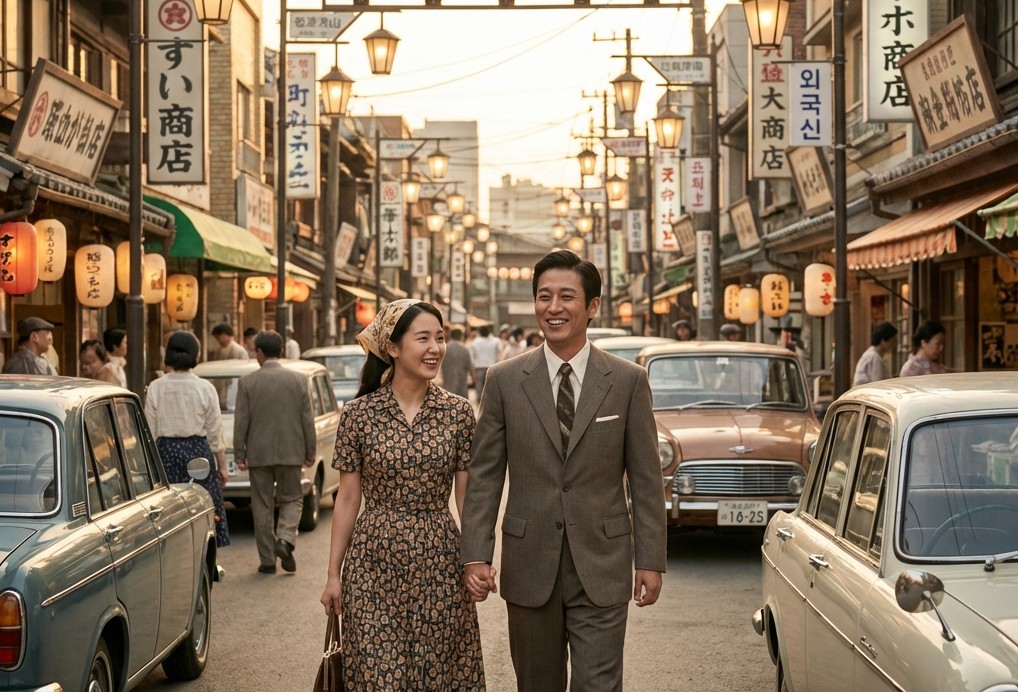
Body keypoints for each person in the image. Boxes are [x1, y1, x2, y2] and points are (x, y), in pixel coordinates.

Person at [461, 250, 667, 690]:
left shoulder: (628, 381)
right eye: (544, 296)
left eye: (567, 297)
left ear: (592, 306)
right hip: (529, 561)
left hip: (603, 561)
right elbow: (485, 476)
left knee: (599, 684)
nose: (553, 307)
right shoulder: (504, 380)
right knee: (537, 684)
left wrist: (650, 560)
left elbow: (647, 480)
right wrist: (476, 553)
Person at [320, 299, 485, 689]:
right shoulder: (358, 414)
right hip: (372, 564)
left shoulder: (458, 412)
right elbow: (347, 499)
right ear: (392, 347)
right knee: (378, 676)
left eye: (440, 338)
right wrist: (333, 575)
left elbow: (468, 498)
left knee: (437, 674)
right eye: (423, 338)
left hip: (440, 561)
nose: (435, 348)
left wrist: (476, 559)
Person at [233, 330, 315, 573]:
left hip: (258, 454)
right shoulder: (299, 380)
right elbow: (307, 419)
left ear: (259, 352)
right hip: (291, 451)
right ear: (280, 351)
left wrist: (239, 454)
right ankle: (285, 539)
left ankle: (268, 561)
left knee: (262, 506)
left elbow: (241, 421)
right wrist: (309, 450)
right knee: (293, 498)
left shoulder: (247, 382)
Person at [144, 331, 231, 547]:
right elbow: (215, 431)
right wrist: (222, 466)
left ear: (168, 354)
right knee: (203, 508)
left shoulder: (156, 387)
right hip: (198, 453)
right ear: (196, 354)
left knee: (170, 511)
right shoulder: (205, 388)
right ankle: (205, 551)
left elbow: (149, 433)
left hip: (166, 454)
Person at [853, 322, 898, 386]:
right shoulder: (874, 357)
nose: (893, 344)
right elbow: (878, 384)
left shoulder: (871, 354)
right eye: (892, 341)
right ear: (883, 340)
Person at [440, 325, 474, 399]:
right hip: (461, 383)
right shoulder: (464, 348)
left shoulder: (445, 347)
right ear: (461, 336)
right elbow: (469, 366)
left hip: (447, 383)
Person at [469, 324, 500, 398]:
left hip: (479, 367)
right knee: (491, 386)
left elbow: (472, 357)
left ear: (479, 332)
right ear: (489, 332)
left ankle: (480, 402)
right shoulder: (495, 341)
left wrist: (473, 369)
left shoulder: (475, 342)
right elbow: (498, 354)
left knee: (479, 386)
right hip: (492, 367)